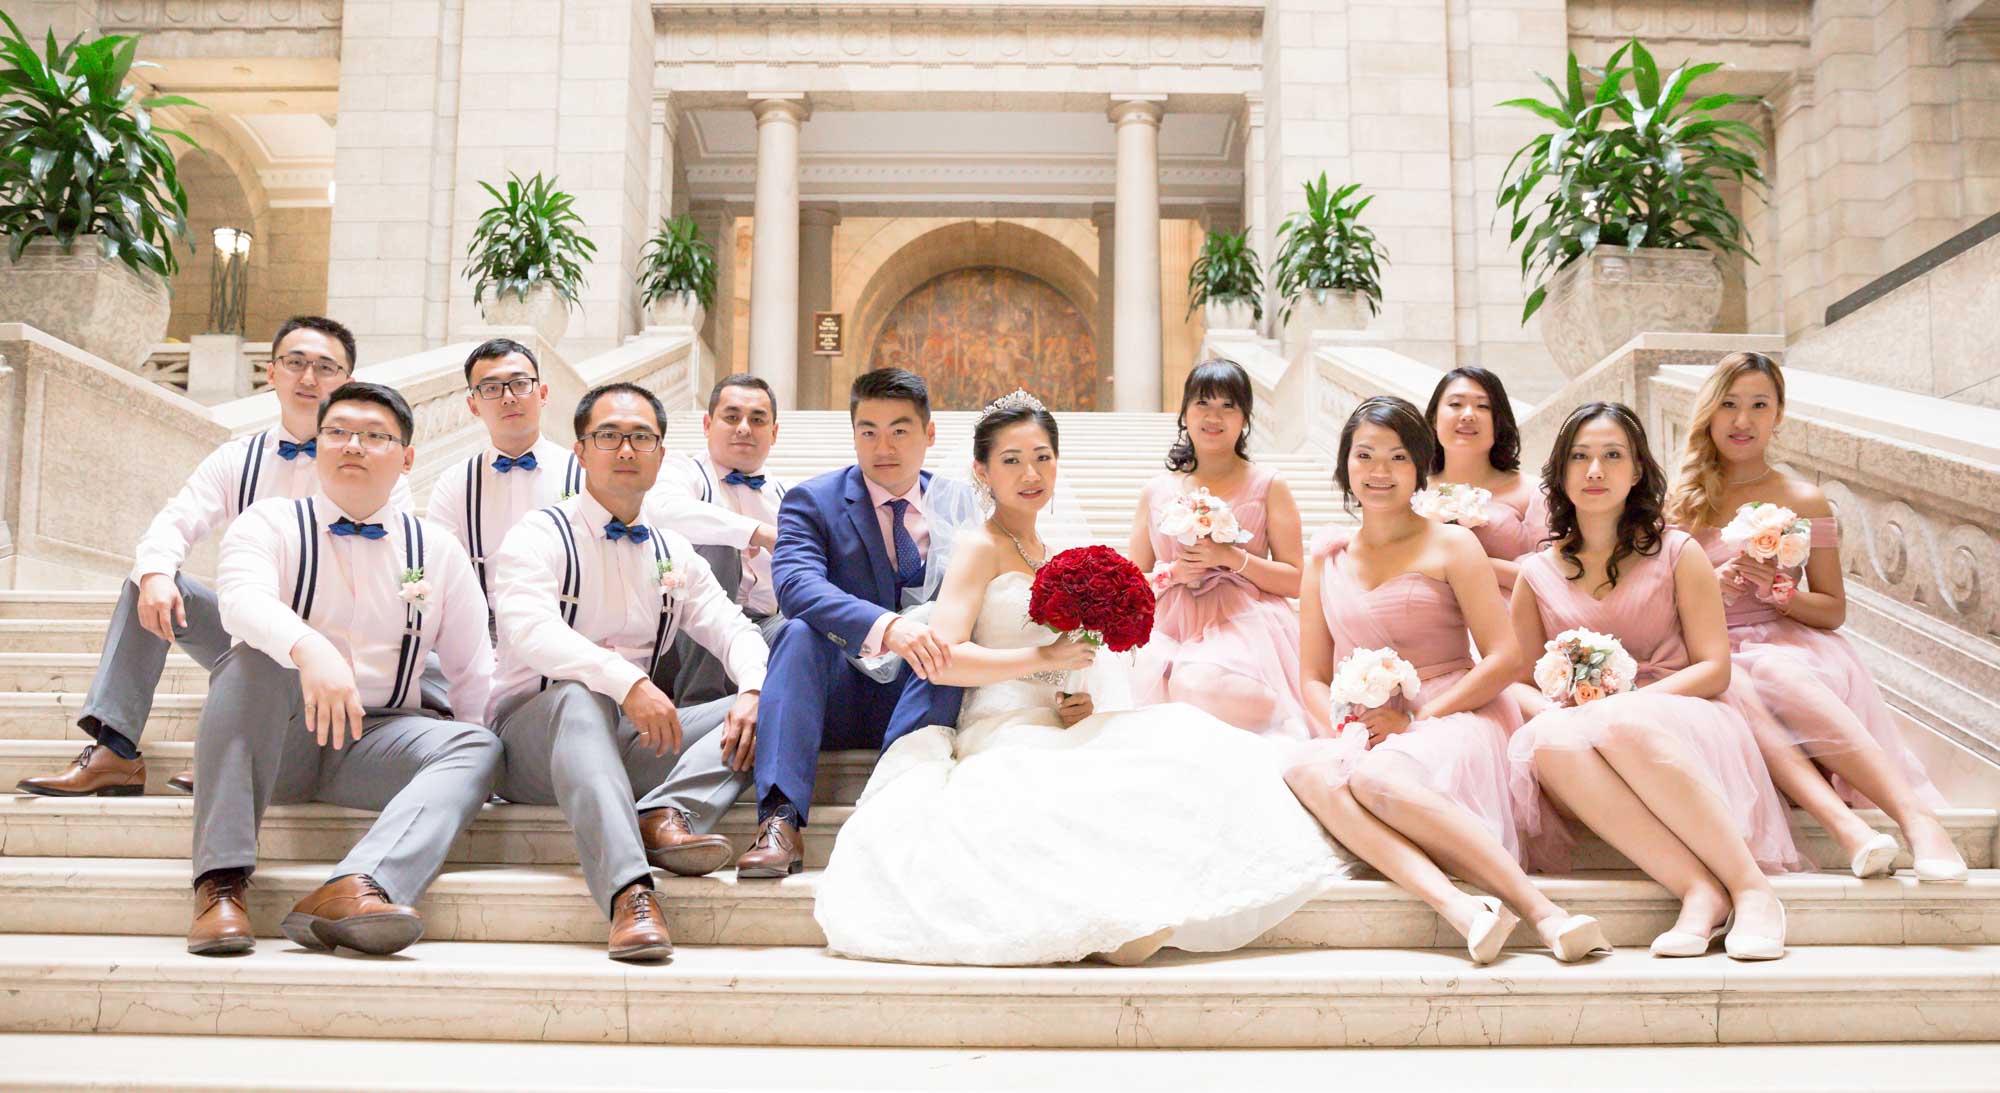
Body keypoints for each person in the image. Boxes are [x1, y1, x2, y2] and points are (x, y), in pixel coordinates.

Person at [812, 391, 1346, 966]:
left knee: (1188, 737)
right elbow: (946, 658)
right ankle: (1113, 911)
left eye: (1042, 457)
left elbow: (1073, 661)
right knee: (1065, 789)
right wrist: (1040, 660)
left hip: (1057, 720)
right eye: (1011, 460)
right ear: (982, 470)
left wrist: (1075, 697)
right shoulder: (977, 546)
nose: (1030, 473)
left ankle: (1147, 896)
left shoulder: (1057, 552)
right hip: (999, 723)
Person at [20, 317, 410, 800]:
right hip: (246, 632)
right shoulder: (237, 458)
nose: (309, 378)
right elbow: (174, 521)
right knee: (150, 578)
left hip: (330, 647)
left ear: (347, 382)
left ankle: (227, 755)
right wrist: (158, 574)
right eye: (295, 363)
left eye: (326, 367)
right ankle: (115, 751)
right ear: (271, 374)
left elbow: (393, 566)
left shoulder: (377, 465)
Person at [1284, 397, 1609, 965]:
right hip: (1367, 722)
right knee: (1305, 768)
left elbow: (1505, 658)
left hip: (1457, 711)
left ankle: (1543, 912)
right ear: (1345, 465)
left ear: (1420, 466)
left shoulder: (1452, 544)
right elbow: (1312, 675)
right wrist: (1345, 729)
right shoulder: (1325, 560)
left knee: (1378, 775)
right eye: (1365, 456)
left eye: (1397, 457)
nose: (1379, 471)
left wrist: (1417, 719)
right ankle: (1462, 909)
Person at [185, 382, 499, 958]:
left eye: (375, 436)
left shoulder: (438, 548)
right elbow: (240, 603)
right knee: (251, 659)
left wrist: (472, 773)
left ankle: (358, 886)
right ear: (319, 444)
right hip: (284, 739)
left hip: (379, 739)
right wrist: (312, 649)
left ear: (406, 458)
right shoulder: (268, 524)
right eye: (338, 432)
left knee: (476, 743)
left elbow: (472, 666)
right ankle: (221, 887)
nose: (353, 444)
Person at [486, 382, 769, 963]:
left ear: (661, 455)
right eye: (608, 435)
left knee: (776, 700)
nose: (625, 449)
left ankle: (664, 813)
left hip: (630, 738)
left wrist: (754, 689)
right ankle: (629, 893)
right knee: (580, 699)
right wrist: (628, 681)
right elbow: (531, 631)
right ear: (581, 451)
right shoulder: (538, 534)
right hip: (531, 740)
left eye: (641, 437)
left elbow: (731, 627)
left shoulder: (673, 550)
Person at [1508, 402, 1799, 962]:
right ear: (1561, 474)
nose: (1595, 470)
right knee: (1547, 743)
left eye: (1612, 456)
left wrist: (1625, 704)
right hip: (1589, 734)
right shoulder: (1536, 573)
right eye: (1580, 457)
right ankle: (1698, 890)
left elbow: (1715, 667)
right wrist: (1557, 711)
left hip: (1682, 711)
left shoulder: (1677, 551)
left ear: (1637, 470)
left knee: (1620, 722)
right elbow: (1518, 680)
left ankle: (1753, 891)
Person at [1666, 352, 1963, 882]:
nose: (1743, 420)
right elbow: (1655, 606)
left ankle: (1918, 823)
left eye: (1759, 405)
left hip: (1789, 645)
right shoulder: (1677, 505)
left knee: (1776, 672)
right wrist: (1708, 588)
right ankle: (1850, 829)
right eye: (1729, 405)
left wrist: (1780, 593)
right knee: (1733, 684)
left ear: (1779, 415)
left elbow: (1833, 608)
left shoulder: (1805, 499)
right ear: (1709, 413)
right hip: (1711, 650)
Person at [740, 368, 971, 880]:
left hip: (926, 690)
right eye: (868, 431)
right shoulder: (812, 500)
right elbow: (797, 586)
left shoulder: (963, 506)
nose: (882, 446)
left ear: (929, 434)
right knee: (797, 632)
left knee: (953, 640)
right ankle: (780, 820)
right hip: (837, 692)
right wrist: (888, 627)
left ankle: (894, 808)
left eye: (899, 430)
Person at [1128, 359, 1306, 736]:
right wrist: (1175, 572)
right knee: (1149, 687)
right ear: (1185, 414)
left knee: (1196, 685)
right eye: (1203, 404)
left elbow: (1296, 581)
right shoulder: (1156, 491)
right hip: (1168, 623)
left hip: (1243, 622)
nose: (1214, 416)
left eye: (1228, 406)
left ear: (1245, 418)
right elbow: (1131, 586)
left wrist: (1232, 558)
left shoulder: (1269, 486)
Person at [647, 373, 787, 705]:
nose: (744, 427)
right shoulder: (682, 470)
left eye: (757, 419)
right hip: (685, 630)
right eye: (732, 416)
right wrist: (753, 531)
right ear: (708, 424)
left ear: (774, 432)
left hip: (762, 624)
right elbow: (664, 510)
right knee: (718, 547)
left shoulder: (786, 495)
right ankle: (702, 704)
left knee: (801, 627)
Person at [426, 338, 584, 612]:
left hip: (570, 626)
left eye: (520, 384)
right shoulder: (455, 484)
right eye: (491, 388)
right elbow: (440, 572)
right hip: (483, 633)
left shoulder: (584, 474)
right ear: (473, 405)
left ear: (543, 393)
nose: (508, 397)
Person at [1423, 366, 1547, 593]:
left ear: (1498, 422)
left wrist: (1464, 563)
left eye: (1483, 406)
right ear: (1433, 418)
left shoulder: (1533, 492)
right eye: (1455, 404)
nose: (1468, 415)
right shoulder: (1411, 491)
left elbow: (1552, 579)